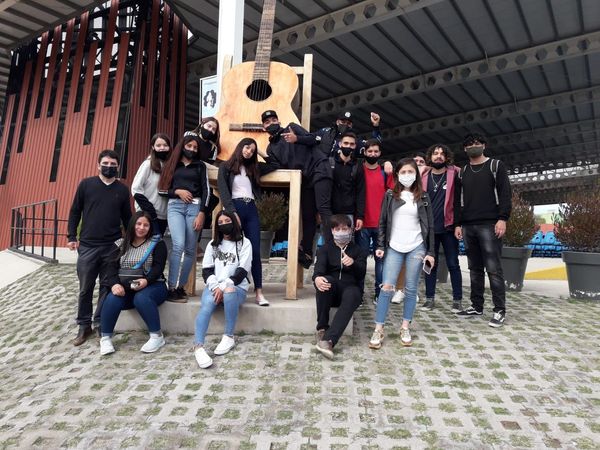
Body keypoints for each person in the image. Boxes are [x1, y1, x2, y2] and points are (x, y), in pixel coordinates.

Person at [67, 149, 132, 346]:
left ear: (118, 167)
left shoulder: (122, 190)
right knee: (85, 288)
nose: (109, 167)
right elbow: (75, 211)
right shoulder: (86, 184)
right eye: (106, 163)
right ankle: (83, 325)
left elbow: (127, 217)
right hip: (87, 245)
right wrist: (71, 236)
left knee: (106, 287)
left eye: (113, 164)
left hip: (112, 246)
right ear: (98, 165)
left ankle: (99, 322)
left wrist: (130, 240)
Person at [369, 158, 435, 349]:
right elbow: (382, 221)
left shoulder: (424, 197)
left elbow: (429, 226)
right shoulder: (390, 195)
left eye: (410, 171)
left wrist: (430, 251)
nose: (407, 175)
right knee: (387, 287)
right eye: (403, 172)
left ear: (416, 174)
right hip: (394, 246)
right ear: (397, 175)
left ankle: (405, 326)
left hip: (417, 246)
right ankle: (378, 328)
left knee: (411, 289)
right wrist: (380, 245)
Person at [261, 109, 332, 268]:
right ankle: (306, 252)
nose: (271, 123)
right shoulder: (270, 149)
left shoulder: (292, 127)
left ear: (279, 121)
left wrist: (297, 139)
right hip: (303, 180)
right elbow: (276, 167)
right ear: (263, 127)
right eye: (267, 122)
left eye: (274, 120)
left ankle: (333, 248)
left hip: (319, 169)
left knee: (323, 209)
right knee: (307, 215)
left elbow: (316, 139)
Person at [454, 133, 512, 327]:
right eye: (469, 144)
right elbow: (457, 200)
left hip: (490, 223)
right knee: (474, 268)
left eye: (477, 143)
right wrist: (457, 223)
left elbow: (505, 193)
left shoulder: (496, 166)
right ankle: (476, 305)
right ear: (464, 149)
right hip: (468, 225)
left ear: (484, 146)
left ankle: (499, 310)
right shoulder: (462, 172)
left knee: (494, 269)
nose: (474, 146)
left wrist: (502, 218)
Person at [218, 137, 279, 306]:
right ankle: (228, 285)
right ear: (240, 146)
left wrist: (259, 151)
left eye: (252, 150)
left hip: (251, 209)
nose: (249, 152)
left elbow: (275, 163)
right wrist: (232, 212)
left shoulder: (254, 168)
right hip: (234, 208)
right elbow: (223, 191)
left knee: (255, 251)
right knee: (232, 249)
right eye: (247, 147)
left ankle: (259, 292)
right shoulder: (225, 167)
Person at [99, 211, 168, 355]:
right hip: (126, 287)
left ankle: (157, 336)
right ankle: (105, 339)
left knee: (141, 297)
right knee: (112, 298)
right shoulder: (120, 244)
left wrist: (146, 280)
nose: (141, 228)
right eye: (139, 224)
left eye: (146, 225)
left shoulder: (157, 244)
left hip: (153, 286)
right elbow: (110, 268)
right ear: (132, 224)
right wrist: (114, 284)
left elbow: (158, 268)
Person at [193, 210, 253, 369]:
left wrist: (224, 286)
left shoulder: (244, 243)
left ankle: (228, 336)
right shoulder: (212, 244)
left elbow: (241, 272)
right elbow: (206, 270)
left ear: (234, 222)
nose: (224, 225)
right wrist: (215, 286)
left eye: (227, 221)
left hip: (236, 288)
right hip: (214, 287)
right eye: (220, 223)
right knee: (206, 307)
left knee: (229, 290)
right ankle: (198, 346)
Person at [158, 133, 210, 302]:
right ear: (183, 146)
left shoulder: (200, 166)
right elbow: (161, 190)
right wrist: (177, 191)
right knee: (178, 245)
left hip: (195, 207)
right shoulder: (172, 164)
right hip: (175, 207)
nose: (192, 150)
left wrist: (202, 213)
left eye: (195, 148)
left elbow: (206, 191)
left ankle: (180, 287)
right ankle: (171, 287)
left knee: (190, 249)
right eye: (189, 146)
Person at [313, 214, 367, 359]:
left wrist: (354, 264)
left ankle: (329, 341)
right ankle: (322, 328)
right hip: (332, 291)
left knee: (354, 293)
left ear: (350, 230)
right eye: (338, 229)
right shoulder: (325, 249)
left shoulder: (358, 250)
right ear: (332, 231)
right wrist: (317, 279)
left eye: (345, 228)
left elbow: (362, 274)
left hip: (350, 290)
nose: (341, 232)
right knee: (325, 281)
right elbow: (318, 270)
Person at [419, 144, 463, 313]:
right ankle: (429, 299)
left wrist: (458, 224)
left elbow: (459, 202)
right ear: (430, 157)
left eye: (442, 154)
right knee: (430, 264)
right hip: (429, 229)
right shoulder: (423, 175)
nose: (438, 156)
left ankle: (457, 300)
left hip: (448, 227)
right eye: (435, 154)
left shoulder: (454, 174)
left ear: (447, 158)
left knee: (453, 264)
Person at [355, 139, 394, 303]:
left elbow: (392, 192)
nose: (373, 154)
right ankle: (359, 294)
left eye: (376, 151)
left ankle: (379, 294)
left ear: (380, 153)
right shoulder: (358, 170)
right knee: (361, 261)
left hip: (381, 225)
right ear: (364, 152)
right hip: (362, 223)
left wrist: (390, 170)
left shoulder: (385, 172)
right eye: (370, 151)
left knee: (381, 262)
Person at [390, 151, 428, 305]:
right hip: (401, 228)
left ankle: (411, 291)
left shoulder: (427, 175)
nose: (418, 163)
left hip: (419, 227)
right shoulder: (403, 178)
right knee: (402, 264)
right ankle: (399, 289)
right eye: (415, 161)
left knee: (416, 263)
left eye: (421, 161)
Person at [131, 133, 172, 236]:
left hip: (163, 216)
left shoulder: (169, 166)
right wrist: (149, 209)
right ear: (153, 147)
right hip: (146, 215)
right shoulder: (147, 164)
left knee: (156, 247)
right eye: (158, 145)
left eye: (165, 145)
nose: (162, 148)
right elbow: (136, 189)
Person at [331, 131, 365, 230]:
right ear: (340, 144)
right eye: (346, 143)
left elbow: (360, 192)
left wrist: (360, 216)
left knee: (348, 244)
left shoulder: (357, 167)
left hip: (349, 214)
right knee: (328, 244)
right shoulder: (330, 163)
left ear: (355, 146)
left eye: (351, 144)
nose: (348, 146)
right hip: (330, 213)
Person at [314, 111, 382, 159]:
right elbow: (308, 140)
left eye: (348, 123)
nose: (345, 125)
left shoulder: (355, 141)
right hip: (322, 172)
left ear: (351, 125)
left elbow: (374, 144)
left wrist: (376, 126)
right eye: (343, 122)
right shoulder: (325, 132)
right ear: (337, 122)